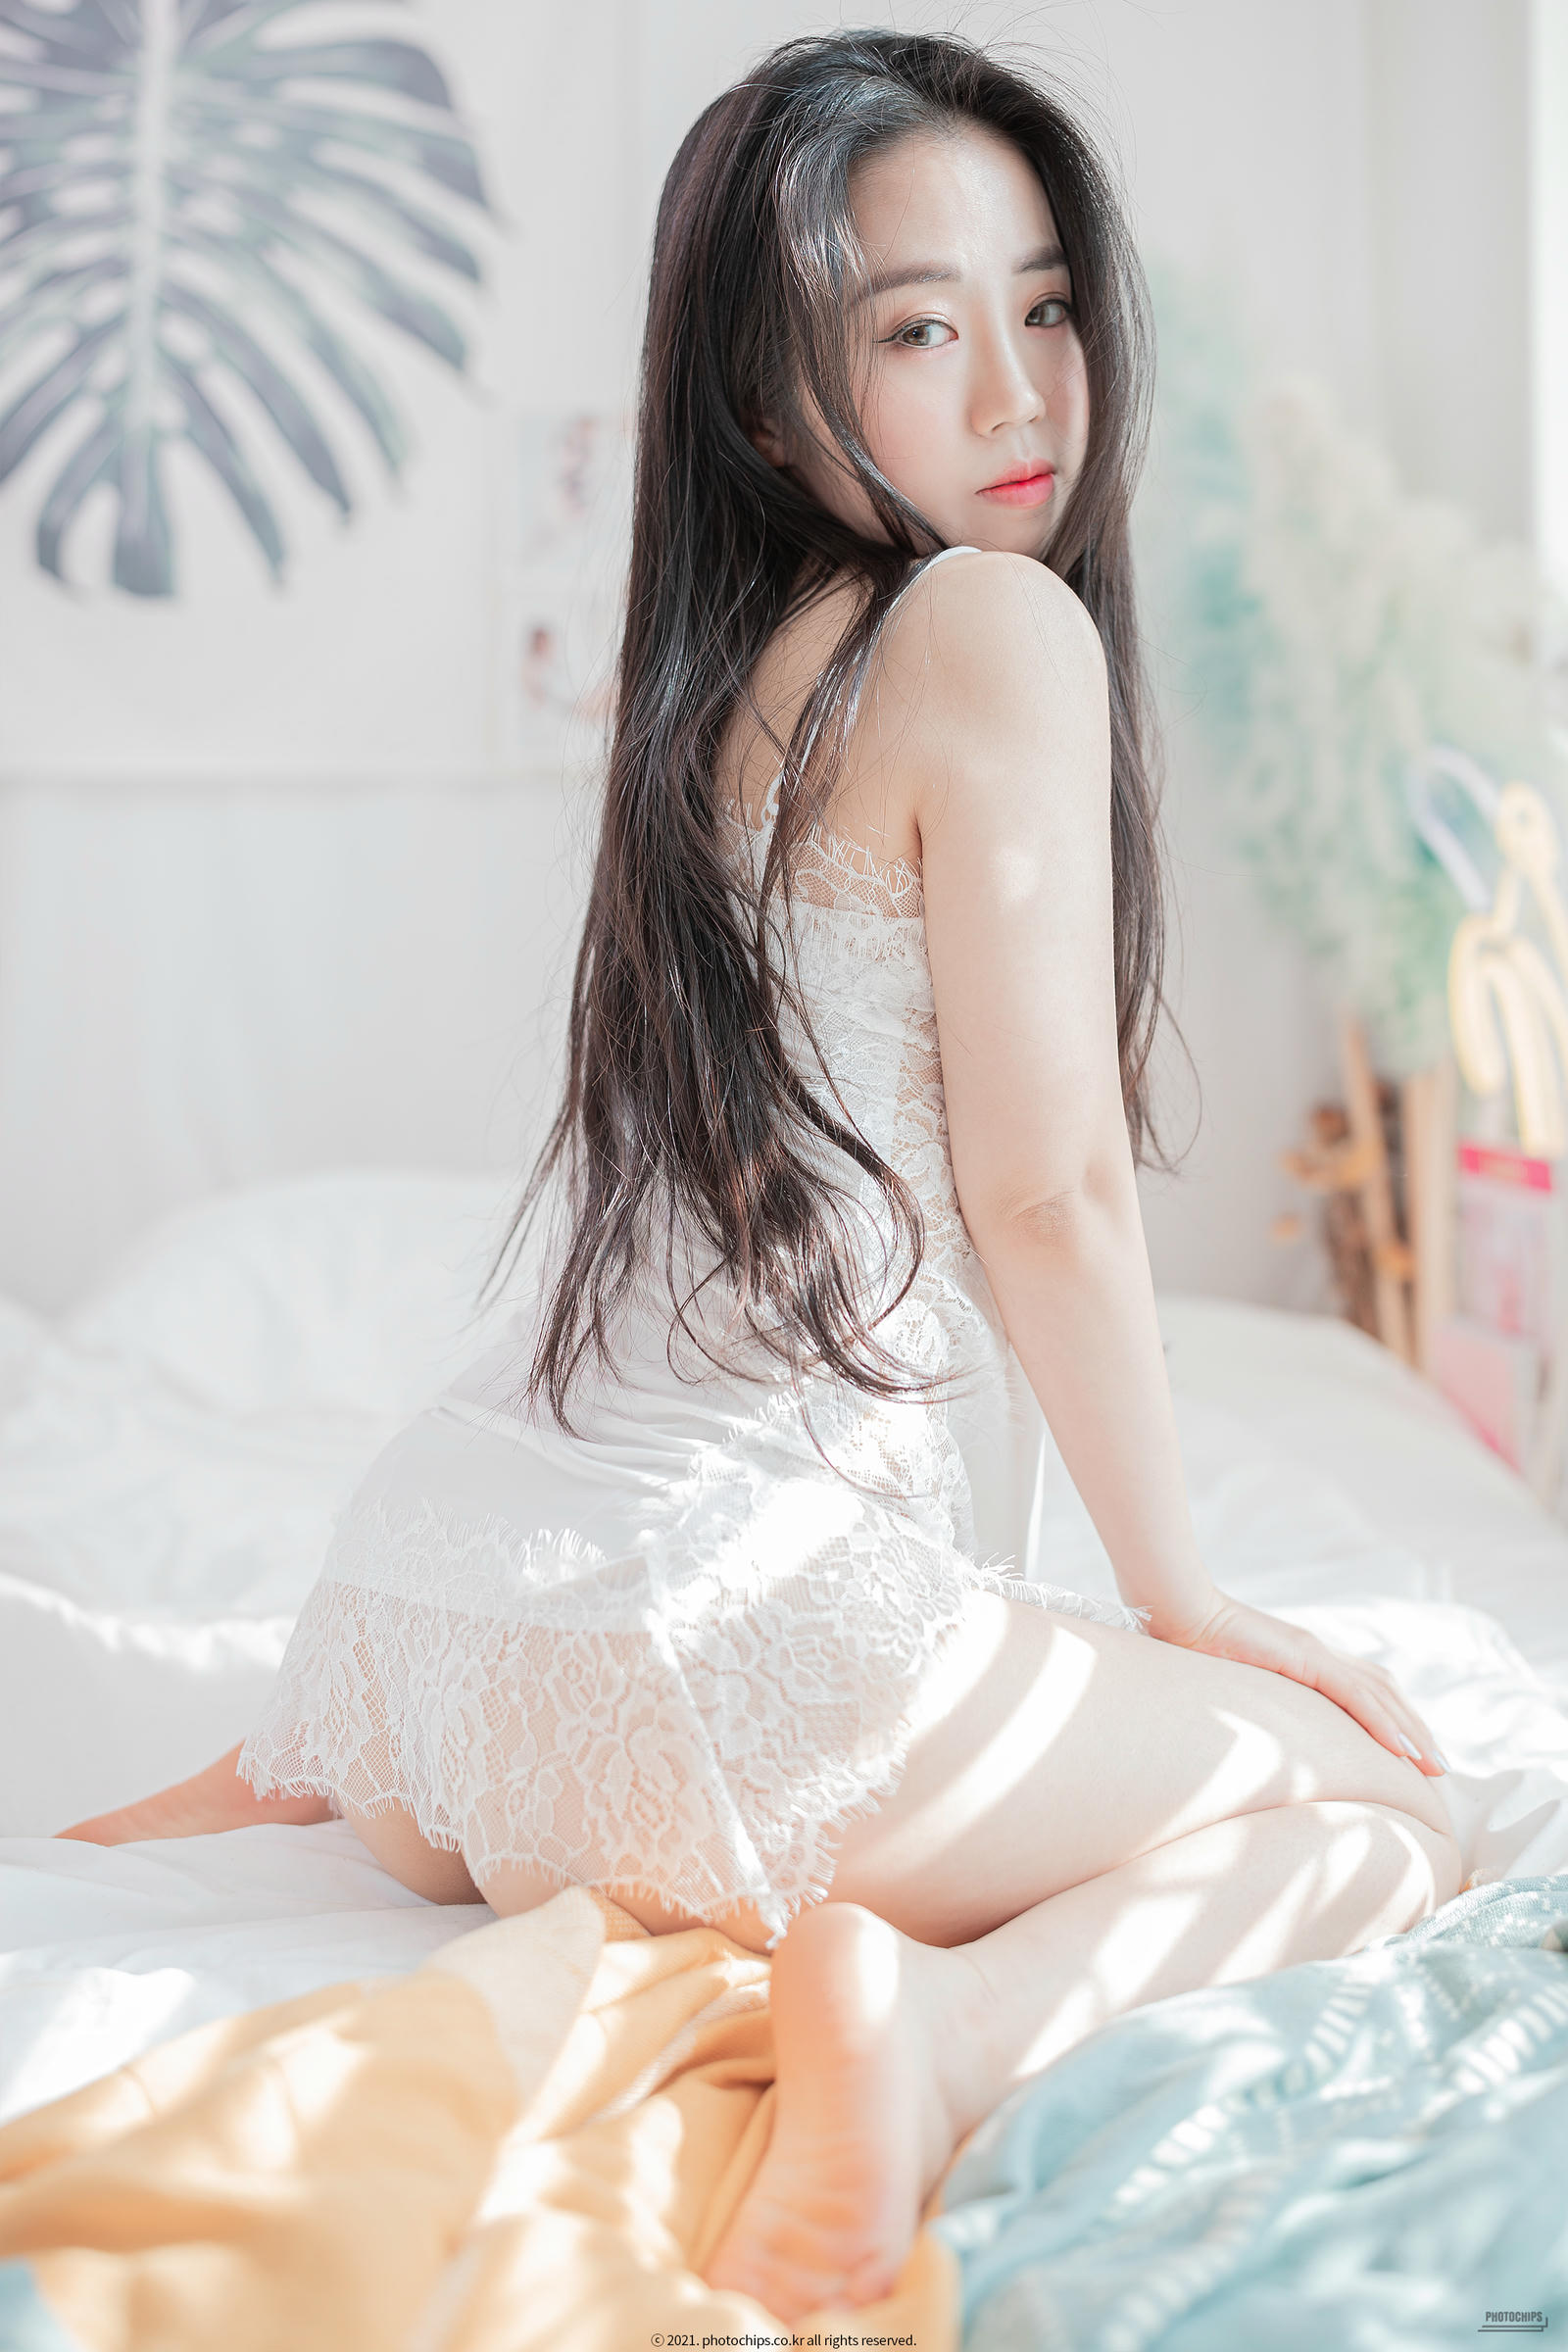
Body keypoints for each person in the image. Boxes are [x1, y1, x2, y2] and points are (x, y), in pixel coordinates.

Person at [64, 30, 1460, 2324]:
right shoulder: (985, 627)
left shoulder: (705, 682)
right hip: (719, 1650)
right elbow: (1048, 1194)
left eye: (1042, 303)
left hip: (434, 1640)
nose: (1016, 388)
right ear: (761, 397)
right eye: (914, 328)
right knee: (1381, 1813)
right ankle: (938, 2045)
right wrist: (1184, 1597)